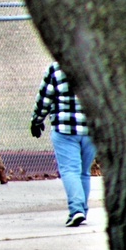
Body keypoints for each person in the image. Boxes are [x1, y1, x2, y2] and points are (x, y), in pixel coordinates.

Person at [31, 61, 95, 227]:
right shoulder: (97, 66)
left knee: (70, 170)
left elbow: (45, 98)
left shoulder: (57, 68)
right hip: (92, 129)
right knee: (84, 172)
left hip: (65, 128)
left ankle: (76, 210)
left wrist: (37, 120)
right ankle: (82, 211)